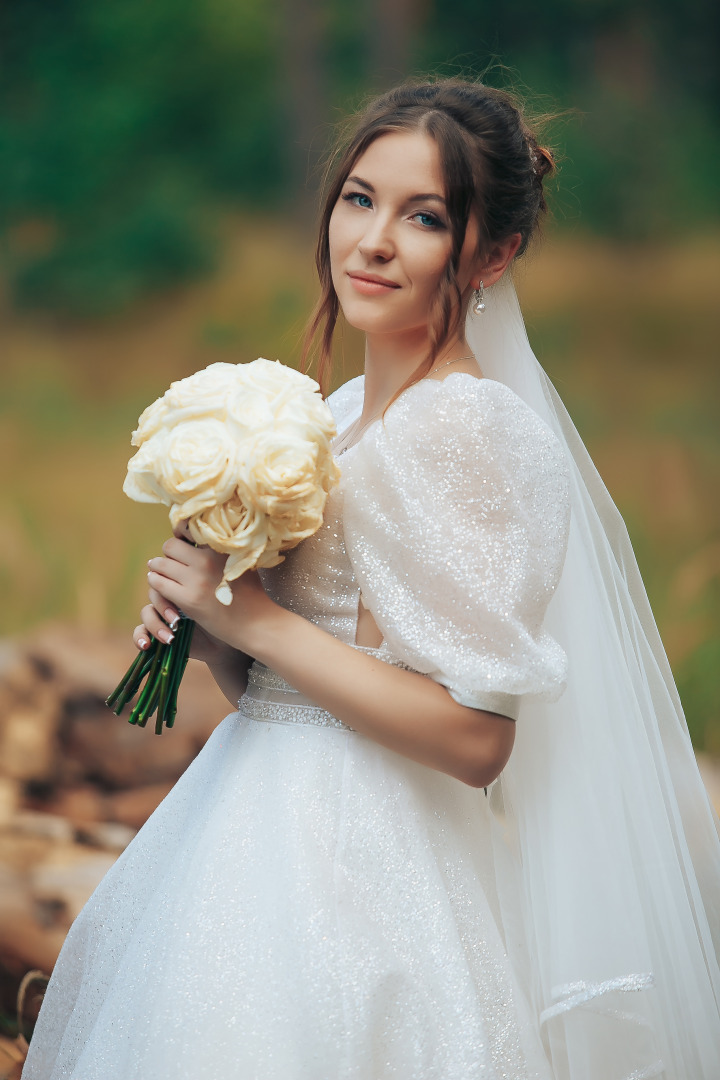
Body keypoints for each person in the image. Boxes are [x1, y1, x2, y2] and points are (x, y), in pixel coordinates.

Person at [23, 79, 720, 1080]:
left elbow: (476, 738)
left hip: (369, 873)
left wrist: (259, 625)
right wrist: (213, 626)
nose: (374, 241)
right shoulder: (343, 412)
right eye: (359, 198)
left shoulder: (467, 428)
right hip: (251, 834)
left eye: (423, 216)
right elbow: (313, 690)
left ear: (493, 253)